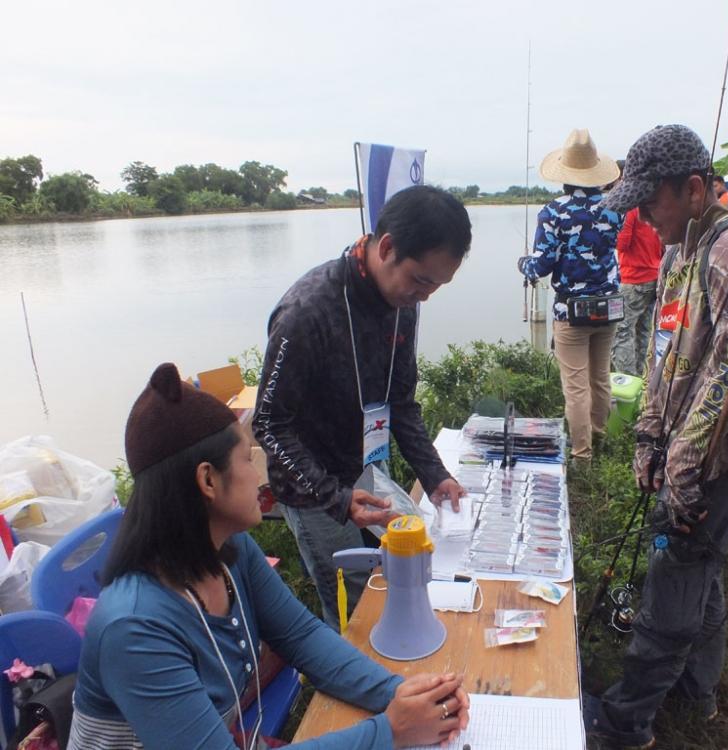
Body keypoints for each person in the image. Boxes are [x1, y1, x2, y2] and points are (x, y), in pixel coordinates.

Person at [69, 363, 470, 750]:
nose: (259, 474)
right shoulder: (134, 629)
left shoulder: (230, 551)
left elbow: (302, 637)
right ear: (208, 480)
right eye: (246, 459)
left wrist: (400, 693)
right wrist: (392, 731)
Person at [582, 124, 728, 749]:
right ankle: (698, 692)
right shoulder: (679, 253)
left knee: (672, 585)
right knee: (703, 570)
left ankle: (627, 722)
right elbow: (664, 355)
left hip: (721, 466)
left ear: (694, 188)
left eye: (651, 204)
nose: (643, 218)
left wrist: (682, 463)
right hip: (683, 458)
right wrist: (647, 436)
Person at [254, 185, 470, 629]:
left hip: (368, 470)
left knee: (401, 574)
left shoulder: (400, 301)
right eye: (422, 280)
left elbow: (401, 402)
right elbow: (270, 424)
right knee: (355, 603)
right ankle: (355, 686)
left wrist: (435, 475)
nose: (425, 296)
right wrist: (335, 497)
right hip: (313, 486)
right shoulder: (306, 313)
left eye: (438, 286)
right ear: (387, 247)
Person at [516, 128, 623, 463]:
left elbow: (543, 265)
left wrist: (525, 264)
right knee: (600, 376)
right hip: (609, 305)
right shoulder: (615, 207)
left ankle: (582, 454)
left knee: (576, 386)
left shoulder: (552, 213)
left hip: (572, 313)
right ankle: (600, 436)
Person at [611, 192, 664, 376]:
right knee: (645, 332)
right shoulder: (652, 203)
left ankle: (626, 384)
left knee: (621, 332)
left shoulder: (630, 208)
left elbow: (622, 243)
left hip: (633, 277)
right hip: (654, 275)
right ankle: (644, 380)